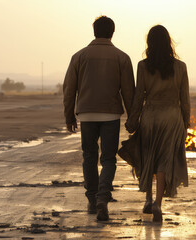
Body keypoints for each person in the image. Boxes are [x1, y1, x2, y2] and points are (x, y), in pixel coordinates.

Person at [63, 16, 135, 221]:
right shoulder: (122, 57)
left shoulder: (79, 56)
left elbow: (69, 89)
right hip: (111, 114)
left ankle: (92, 200)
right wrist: (133, 118)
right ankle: (103, 196)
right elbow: (129, 91)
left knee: (89, 156)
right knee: (108, 158)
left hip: (86, 113)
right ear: (112, 32)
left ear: (94, 31)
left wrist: (69, 115)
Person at [119, 25, 190, 222]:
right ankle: (158, 203)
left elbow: (138, 97)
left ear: (149, 43)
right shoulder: (181, 67)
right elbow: (185, 99)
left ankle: (148, 199)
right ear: (169, 42)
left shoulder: (143, 66)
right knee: (165, 160)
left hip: (150, 116)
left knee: (147, 158)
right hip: (172, 117)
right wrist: (186, 123)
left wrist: (132, 121)